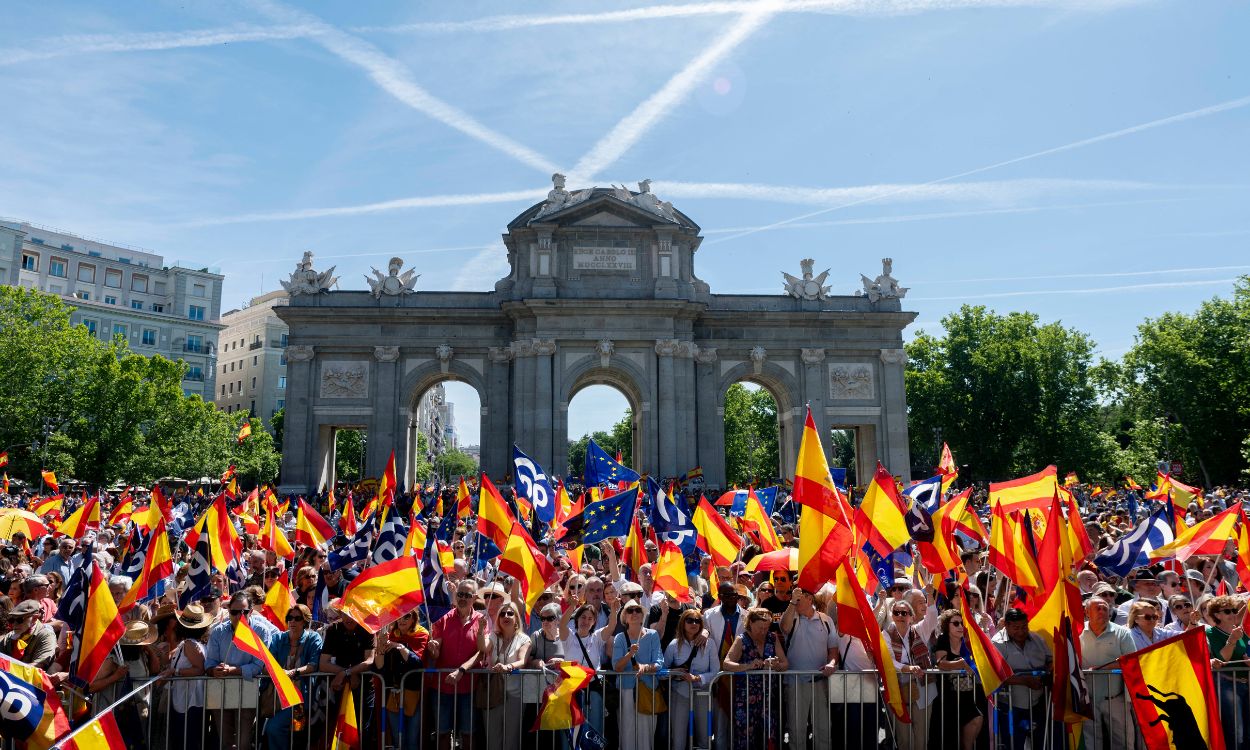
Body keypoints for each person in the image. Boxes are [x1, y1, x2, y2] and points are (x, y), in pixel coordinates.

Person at [428, 579, 487, 750]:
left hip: (468, 688)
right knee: (443, 733)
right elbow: (436, 651)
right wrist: (434, 648)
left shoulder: (481, 621)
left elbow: (481, 652)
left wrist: (462, 670)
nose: (462, 598)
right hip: (442, 687)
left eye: (467, 595)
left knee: (468, 734)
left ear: (474, 598)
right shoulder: (443, 619)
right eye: (460, 594)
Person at [779, 584, 838, 750]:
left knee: (823, 729)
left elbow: (833, 650)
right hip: (796, 682)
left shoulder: (826, 620)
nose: (795, 597)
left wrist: (831, 663)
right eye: (793, 594)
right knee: (796, 730)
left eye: (799, 595)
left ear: (809, 598)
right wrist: (792, 602)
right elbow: (784, 626)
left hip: (820, 682)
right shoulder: (792, 616)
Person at [205, 591, 266, 750]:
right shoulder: (218, 631)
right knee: (225, 741)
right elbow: (209, 661)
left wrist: (233, 670)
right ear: (228, 611)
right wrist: (213, 670)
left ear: (251, 611)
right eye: (234, 612)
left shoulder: (261, 631)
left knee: (242, 741)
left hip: (247, 687)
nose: (240, 616)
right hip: (220, 689)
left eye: (244, 612)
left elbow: (259, 665)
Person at [722, 607, 788, 750]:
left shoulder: (772, 637)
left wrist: (776, 665)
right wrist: (748, 666)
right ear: (750, 623)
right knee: (744, 738)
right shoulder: (741, 639)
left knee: (770, 737)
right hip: (745, 699)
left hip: (768, 698)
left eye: (766, 627)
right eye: (760, 628)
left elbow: (785, 663)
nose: (763, 631)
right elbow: (727, 664)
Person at [1079, 596, 1137, 750]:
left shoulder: (1122, 633)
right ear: (1086, 612)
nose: (1102, 611)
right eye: (1097, 608)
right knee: (1091, 742)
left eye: (1105, 608)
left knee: (1123, 742)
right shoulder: (1077, 631)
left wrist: (1101, 669)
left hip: (1115, 698)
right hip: (1087, 699)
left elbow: (1131, 661)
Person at [990, 608, 1050, 750]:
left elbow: (1050, 660)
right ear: (1007, 626)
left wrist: (1048, 671)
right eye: (1016, 628)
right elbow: (995, 674)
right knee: (1013, 743)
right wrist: (1025, 681)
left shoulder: (1038, 639)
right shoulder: (997, 643)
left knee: (1041, 742)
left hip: (1038, 704)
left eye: (1024, 627)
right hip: (1010, 705)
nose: (1021, 631)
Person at [264, 604, 322, 750]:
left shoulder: (313, 638)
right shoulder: (278, 638)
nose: (293, 621)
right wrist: (279, 672)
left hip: (300, 700)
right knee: (277, 731)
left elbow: (313, 665)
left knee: (287, 731)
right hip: (278, 698)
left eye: (297, 618)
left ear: (305, 621)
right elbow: (268, 664)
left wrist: (293, 672)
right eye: (290, 618)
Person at [611, 599, 665, 750]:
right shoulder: (620, 638)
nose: (634, 613)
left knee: (646, 732)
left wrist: (645, 667)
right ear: (625, 618)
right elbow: (617, 667)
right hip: (627, 690)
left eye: (637, 610)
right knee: (627, 731)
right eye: (630, 611)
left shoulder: (653, 635)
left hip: (648, 690)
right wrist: (630, 654)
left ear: (643, 615)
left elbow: (659, 662)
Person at [373, 609, 427, 750]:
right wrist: (380, 647)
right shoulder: (390, 636)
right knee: (398, 740)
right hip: (394, 694)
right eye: (399, 616)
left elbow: (417, 663)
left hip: (414, 694)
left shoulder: (421, 634)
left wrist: (400, 647)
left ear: (414, 618)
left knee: (412, 740)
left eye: (407, 616)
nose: (402, 620)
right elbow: (379, 667)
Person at [930, 609, 984, 750]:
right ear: (947, 625)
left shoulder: (967, 641)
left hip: (967, 695)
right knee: (950, 738)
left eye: (961, 623)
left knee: (977, 719)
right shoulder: (943, 639)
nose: (960, 626)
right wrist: (961, 664)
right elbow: (941, 663)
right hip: (948, 698)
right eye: (955, 623)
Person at [664, 609, 717, 750]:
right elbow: (661, 671)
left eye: (697, 620)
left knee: (705, 737)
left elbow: (716, 671)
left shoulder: (710, 644)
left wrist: (698, 678)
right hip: (680, 693)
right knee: (678, 737)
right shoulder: (674, 645)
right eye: (689, 620)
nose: (694, 623)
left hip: (703, 693)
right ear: (683, 623)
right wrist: (673, 671)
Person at [480, 600, 531, 748]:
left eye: (510, 613)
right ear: (498, 618)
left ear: (516, 617)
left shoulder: (524, 639)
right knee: (492, 740)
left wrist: (508, 666)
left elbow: (522, 661)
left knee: (511, 740)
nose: (506, 616)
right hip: (493, 694)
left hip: (514, 696)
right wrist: (480, 630)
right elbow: (483, 648)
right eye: (502, 613)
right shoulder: (494, 636)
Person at [165, 604, 212, 750]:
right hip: (187, 699)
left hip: (189, 700)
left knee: (187, 741)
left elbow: (199, 669)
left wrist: (176, 671)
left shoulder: (190, 644)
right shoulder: (193, 643)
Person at [1206, 594, 1250, 747]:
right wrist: (1231, 640)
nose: (1232, 614)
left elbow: (1246, 654)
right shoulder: (1210, 633)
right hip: (1227, 684)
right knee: (1235, 729)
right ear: (1217, 615)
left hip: (1246, 683)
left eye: (1233, 610)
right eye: (1227, 611)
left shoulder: (1241, 631)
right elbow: (1223, 658)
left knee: (1248, 729)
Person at [526, 601, 568, 749]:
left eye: (549, 618)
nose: (545, 622)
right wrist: (536, 662)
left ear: (558, 619)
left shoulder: (566, 635)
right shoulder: (536, 636)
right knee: (539, 735)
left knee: (558, 734)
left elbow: (575, 659)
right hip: (538, 694)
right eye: (542, 618)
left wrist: (562, 662)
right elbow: (527, 660)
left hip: (562, 694)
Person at [0, 600, 55, 668]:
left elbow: (38, 666)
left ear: (34, 618)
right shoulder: (9, 636)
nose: (14, 624)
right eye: (12, 620)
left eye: (19, 620)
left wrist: (11, 669)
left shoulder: (46, 635)